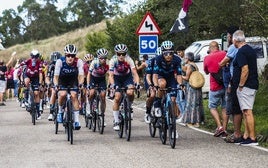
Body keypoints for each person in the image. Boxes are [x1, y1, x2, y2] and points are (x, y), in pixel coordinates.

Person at [232, 30, 259, 146]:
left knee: (247, 111)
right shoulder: (250, 50)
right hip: (253, 83)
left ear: (235, 40)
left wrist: (241, 85)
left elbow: (245, 69)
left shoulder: (241, 52)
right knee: (245, 110)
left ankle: (252, 137)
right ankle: (246, 135)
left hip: (246, 85)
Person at [219, 26, 244, 143]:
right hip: (236, 79)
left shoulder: (233, 47)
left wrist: (219, 64)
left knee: (234, 107)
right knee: (239, 107)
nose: (228, 37)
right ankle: (242, 133)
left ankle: (235, 133)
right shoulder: (243, 48)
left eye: (229, 35)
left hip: (234, 79)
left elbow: (224, 61)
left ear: (233, 37)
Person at [108, 44, 140, 131]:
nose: (121, 56)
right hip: (117, 78)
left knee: (130, 92)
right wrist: (113, 85)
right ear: (116, 53)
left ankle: (129, 105)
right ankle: (116, 120)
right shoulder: (113, 60)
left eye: (123, 54)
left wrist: (137, 83)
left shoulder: (129, 59)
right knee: (117, 97)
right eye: (119, 54)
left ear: (126, 53)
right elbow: (110, 75)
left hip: (127, 78)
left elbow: (135, 73)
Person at [54, 44, 84, 130]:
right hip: (62, 80)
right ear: (65, 55)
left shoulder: (79, 62)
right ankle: (60, 112)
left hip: (73, 80)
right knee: (62, 94)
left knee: (74, 95)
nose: (70, 58)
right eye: (68, 55)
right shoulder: (60, 61)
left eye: (72, 56)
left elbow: (81, 75)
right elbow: (56, 77)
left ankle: (77, 121)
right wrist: (56, 85)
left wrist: (81, 84)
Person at [153, 40, 183, 126]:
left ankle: (172, 122)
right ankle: (158, 103)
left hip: (171, 78)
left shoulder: (177, 59)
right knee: (162, 84)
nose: (168, 55)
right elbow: (155, 75)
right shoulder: (158, 59)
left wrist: (180, 84)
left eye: (170, 53)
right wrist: (155, 85)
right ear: (162, 53)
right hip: (161, 76)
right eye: (166, 53)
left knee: (173, 100)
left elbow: (179, 75)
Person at [203, 41, 228, 136]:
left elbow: (206, 72)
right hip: (225, 85)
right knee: (225, 107)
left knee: (212, 107)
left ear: (210, 48)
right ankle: (224, 129)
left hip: (215, 86)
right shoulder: (224, 54)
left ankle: (219, 126)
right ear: (218, 47)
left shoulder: (207, 58)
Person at [87, 48, 109, 124]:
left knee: (103, 96)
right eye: (101, 58)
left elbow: (110, 75)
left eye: (105, 58)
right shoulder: (94, 62)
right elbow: (89, 74)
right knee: (92, 93)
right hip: (93, 79)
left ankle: (102, 115)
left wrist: (110, 85)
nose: (103, 59)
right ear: (98, 58)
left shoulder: (108, 63)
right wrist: (88, 85)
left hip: (102, 79)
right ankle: (89, 108)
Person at [182, 52, 204, 127]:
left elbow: (187, 78)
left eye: (185, 58)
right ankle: (198, 121)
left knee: (191, 103)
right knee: (197, 103)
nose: (184, 59)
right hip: (197, 86)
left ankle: (191, 121)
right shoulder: (195, 65)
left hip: (191, 87)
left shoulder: (189, 66)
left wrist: (180, 76)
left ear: (187, 58)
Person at [20, 49, 43, 119]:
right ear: (31, 56)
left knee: (36, 93)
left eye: (36, 57)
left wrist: (40, 83)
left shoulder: (39, 63)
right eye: (33, 57)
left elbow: (40, 74)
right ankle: (25, 99)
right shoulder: (28, 61)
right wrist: (22, 66)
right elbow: (21, 65)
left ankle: (38, 111)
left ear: (38, 57)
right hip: (27, 75)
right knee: (26, 82)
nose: (34, 58)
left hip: (35, 78)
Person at [144, 47, 161, 123]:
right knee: (152, 94)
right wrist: (151, 85)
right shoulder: (151, 61)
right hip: (150, 79)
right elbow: (148, 76)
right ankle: (147, 112)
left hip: (160, 79)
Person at [46, 51, 62, 121]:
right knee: (53, 92)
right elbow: (47, 77)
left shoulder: (62, 64)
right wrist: (48, 83)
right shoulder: (51, 66)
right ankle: (51, 113)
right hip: (53, 81)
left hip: (62, 81)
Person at [175, 45, 186, 122]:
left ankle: (185, 115)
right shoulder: (177, 60)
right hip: (176, 81)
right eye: (177, 52)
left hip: (183, 82)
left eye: (179, 52)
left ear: (183, 51)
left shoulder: (185, 60)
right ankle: (182, 114)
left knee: (182, 99)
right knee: (177, 100)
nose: (178, 54)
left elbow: (186, 70)